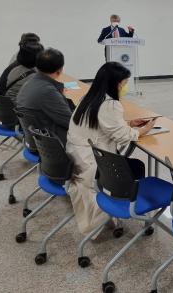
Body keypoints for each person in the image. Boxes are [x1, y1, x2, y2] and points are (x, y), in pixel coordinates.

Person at [66, 62, 156, 235]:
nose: (124, 86)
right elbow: (122, 136)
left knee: (132, 163)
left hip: (77, 155)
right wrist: (144, 129)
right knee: (135, 167)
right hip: (92, 163)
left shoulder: (90, 97)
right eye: (123, 83)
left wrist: (128, 123)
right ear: (115, 83)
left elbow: (102, 125)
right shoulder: (109, 104)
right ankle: (121, 205)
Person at [16, 48, 73, 144]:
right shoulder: (47, 91)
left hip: (35, 138)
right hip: (51, 142)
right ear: (60, 70)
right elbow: (70, 122)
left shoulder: (30, 82)